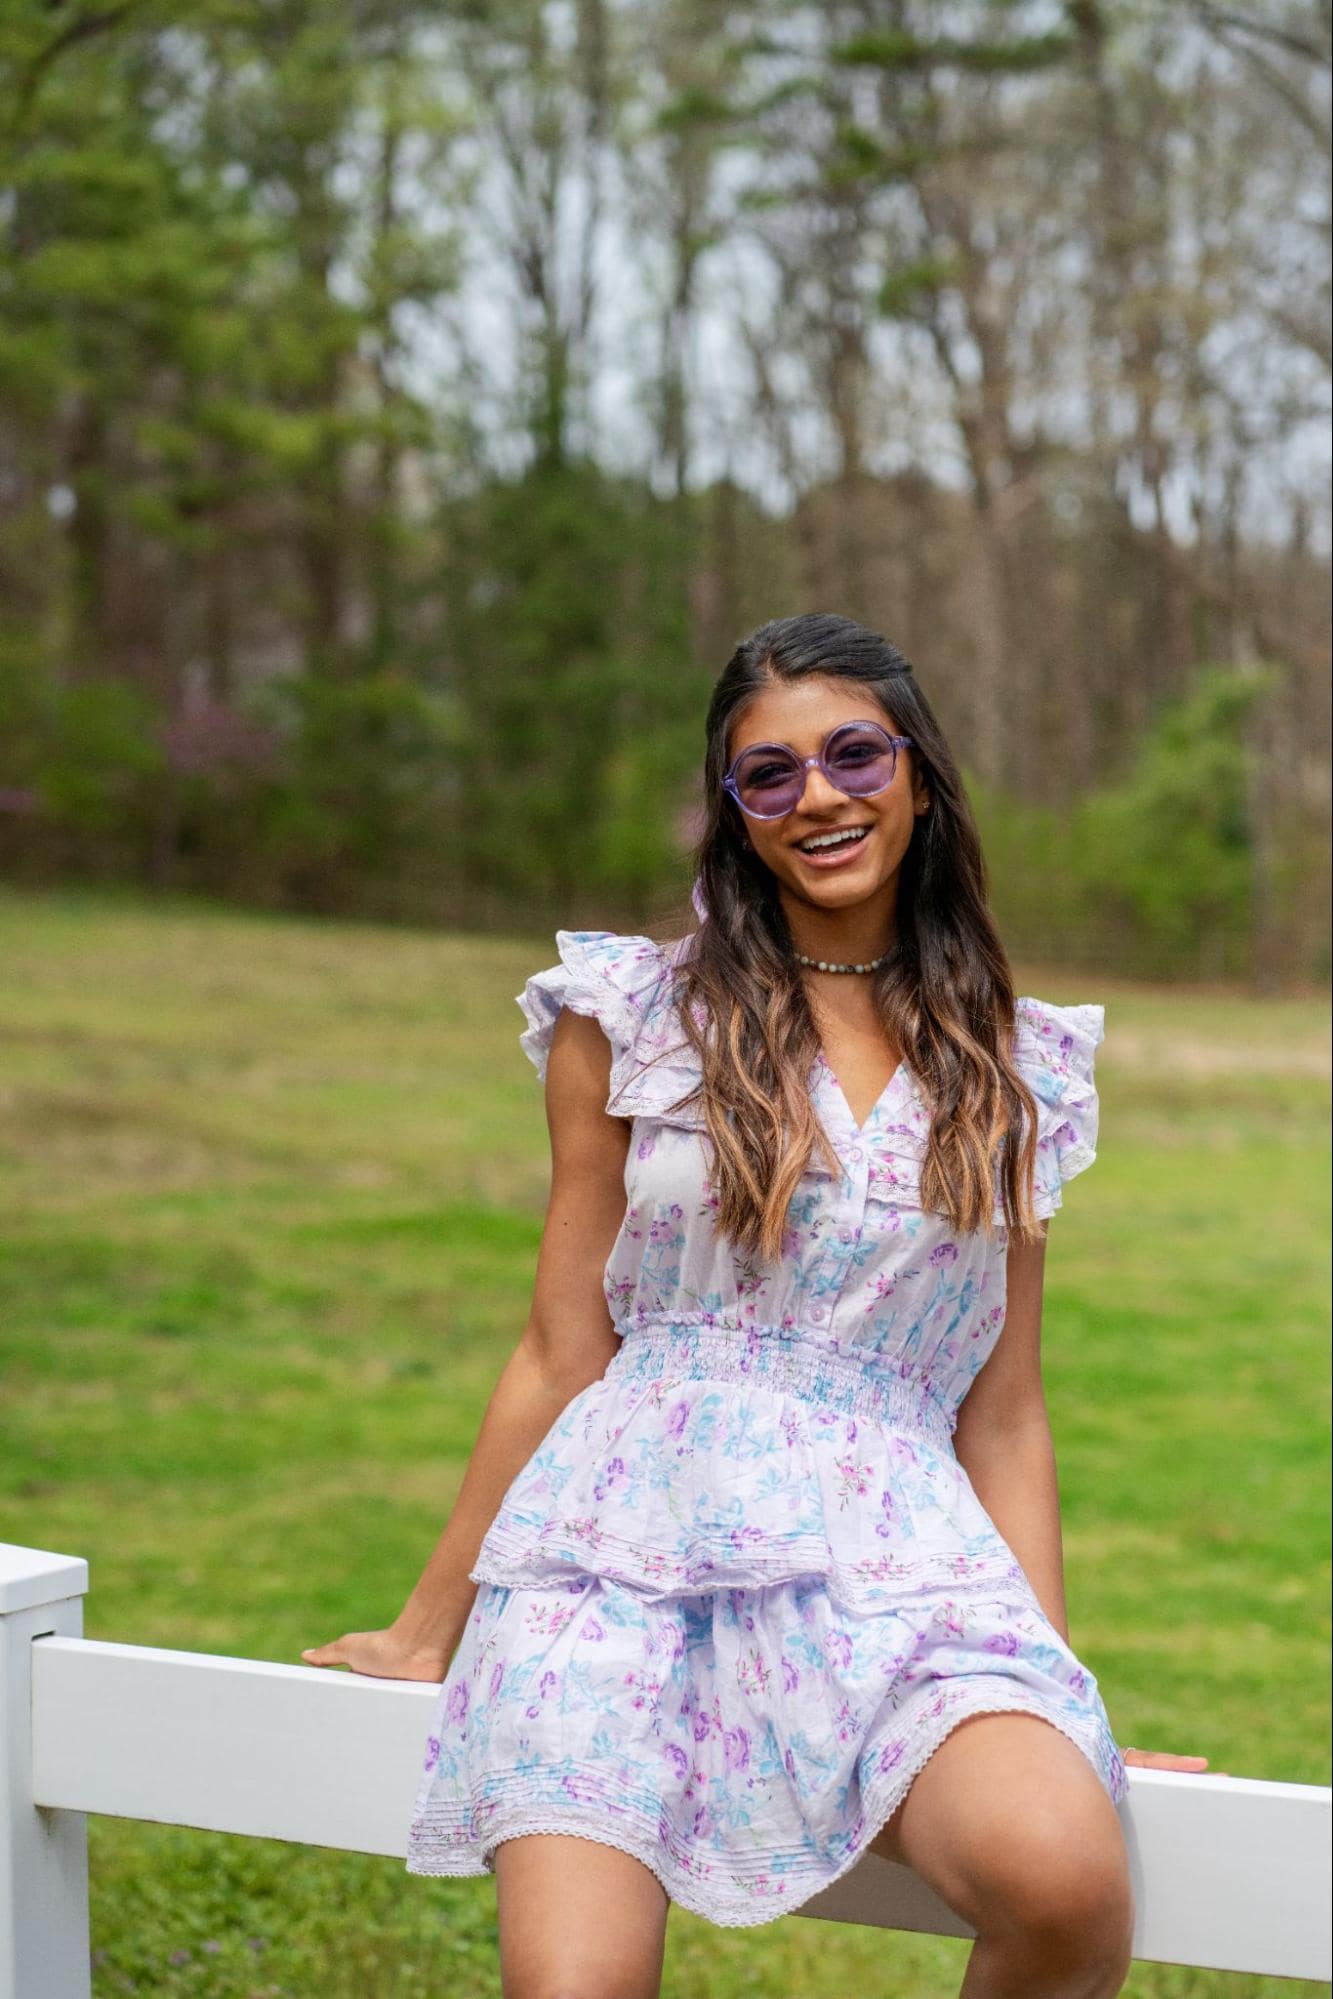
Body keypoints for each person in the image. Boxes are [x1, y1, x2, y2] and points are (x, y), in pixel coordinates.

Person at [302, 612, 1212, 1998]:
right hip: (618, 1555)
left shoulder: (1013, 1069)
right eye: (767, 775)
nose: (819, 798)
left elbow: (1004, 1411)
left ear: (915, 772)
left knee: (1064, 1886)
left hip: (897, 1572)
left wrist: (1049, 1682)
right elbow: (562, 1346)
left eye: (851, 754)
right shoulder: (635, 1015)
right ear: (733, 812)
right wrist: (430, 1625)